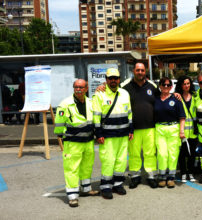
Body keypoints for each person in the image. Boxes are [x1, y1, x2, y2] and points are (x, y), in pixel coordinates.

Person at [54, 79, 99, 207]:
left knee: (87, 166)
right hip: (73, 143)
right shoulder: (65, 104)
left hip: (88, 141)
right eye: (76, 87)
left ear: (86, 88)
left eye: (81, 87)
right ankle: (73, 195)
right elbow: (59, 124)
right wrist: (61, 137)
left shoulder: (91, 102)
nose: (78, 89)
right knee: (72, 168)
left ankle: (86, 188)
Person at [93, 68, 134, 199]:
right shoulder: (99, 94)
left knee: (121, 161)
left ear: (119, 79)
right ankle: (105, 186)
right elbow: (96, 116)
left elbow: (129, 113)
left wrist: (131, 129)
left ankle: (118, 184)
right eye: (110, 78)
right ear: (106, 79)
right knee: (108, 161)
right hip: (107, 135)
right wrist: (98, 133)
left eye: (115, 78)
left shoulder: (124, 93)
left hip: (123, 134)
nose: (113, 81)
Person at [121, 63, 159, 189]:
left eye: (142, 70)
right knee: (134, 154)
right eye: (138, 70)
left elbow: (164, 96)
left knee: (150, 153)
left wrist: (176, 95)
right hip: (133, 128)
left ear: (145, 71)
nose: (140, 72)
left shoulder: (153, 86)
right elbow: (112, 91)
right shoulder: (125, 87)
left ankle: (151, 176)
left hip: (150, 127)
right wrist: (102, 86)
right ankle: (135, 177)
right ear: (133, 71)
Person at [154, 77, 186, 188]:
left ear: (171, 87)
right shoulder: (156, 99)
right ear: (160, 86)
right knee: (162, 154)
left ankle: (171, 177)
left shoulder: (176, 99)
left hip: (173, 129)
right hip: (160, 129)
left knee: (173, 154)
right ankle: (162, 176)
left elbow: (182, 117)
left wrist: (181, 131)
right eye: (163, 84)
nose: (166, 87)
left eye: (168, 85)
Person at [175, 75, 198, 183]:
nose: (186, 85)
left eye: (188, 83)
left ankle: (191, 172)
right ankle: (183, 172)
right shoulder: (177, 97)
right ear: (181, 85)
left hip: (193, 131)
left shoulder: (195, 96)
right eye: (184, 84)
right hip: (182, 131)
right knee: (182, 154)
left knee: (192, 154)